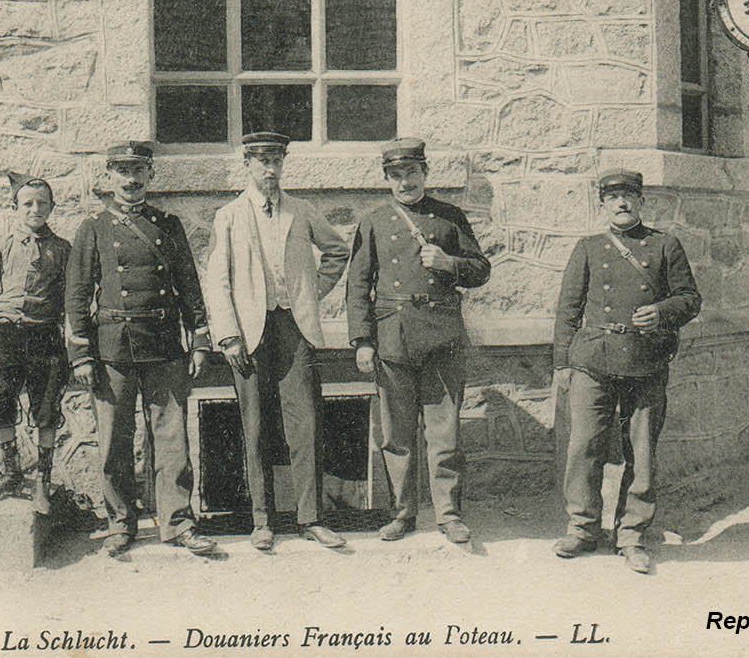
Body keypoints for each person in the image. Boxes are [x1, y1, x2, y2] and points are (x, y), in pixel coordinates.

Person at [65, 142, 216, 557]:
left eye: (139, 171)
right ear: (109, 177)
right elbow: (77, 296)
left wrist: (199, 339)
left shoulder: (168, 225)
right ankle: (120, 523)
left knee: (171, 440)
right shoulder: (93, 228)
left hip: (165, 343)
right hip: (113, 345)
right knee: (114, 440)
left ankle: (178, 522)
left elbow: (190, 286)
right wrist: (80, 353)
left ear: (150, 175)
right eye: (123, 171)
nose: (131, 180)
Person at [205, 132, 351, 551]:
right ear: (248, 165)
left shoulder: (302, 211)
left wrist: (309, 292)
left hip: (295, 329)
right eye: (261, 161)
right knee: (255, 426)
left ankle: (311, 519)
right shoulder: (229, 216)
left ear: (283, 164)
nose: (269, 169)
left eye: (276, 161)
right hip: (248, 333)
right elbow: (217, 280)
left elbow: (337, 252)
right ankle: (262, 520)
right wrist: (228, 335)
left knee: (305, 423)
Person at [553, 170, 701, 574]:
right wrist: (562, 363)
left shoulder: (665, 245)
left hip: (645, 359)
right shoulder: (588, 248)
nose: (622, 204)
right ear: (602, 204)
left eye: (629, 197)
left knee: (642, 451)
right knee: (584, 444)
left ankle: (632, 533)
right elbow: (568, 309)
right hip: (593, 360)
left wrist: (663, 312)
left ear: (641, 202)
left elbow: (690, 299)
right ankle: (582, 527)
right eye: (613, 197)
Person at [345, 138, 491, 545]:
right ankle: (402, 513)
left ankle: (448, 514)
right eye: (396, 175)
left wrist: (450, 264)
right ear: (387, 178)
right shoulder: (373, 221)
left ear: (425, 173)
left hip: (442, 334)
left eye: (411, 172)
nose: (404, 181)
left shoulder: (449, 217)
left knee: (445, 433)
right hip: (393, 335)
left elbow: (481, 269)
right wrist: (362, 340)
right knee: (397, 434)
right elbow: (357, 285)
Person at [0, 172, 71, 515]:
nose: (35, 209)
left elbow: (70, 300)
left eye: (42, 203)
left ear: (52, 207)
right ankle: (12, 473)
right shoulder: (3, 245)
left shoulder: (62, 249)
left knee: (46, 410)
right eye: (27, 203)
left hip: (45, 336)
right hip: (5, 333)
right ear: (15, 207)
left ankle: (42, 481)